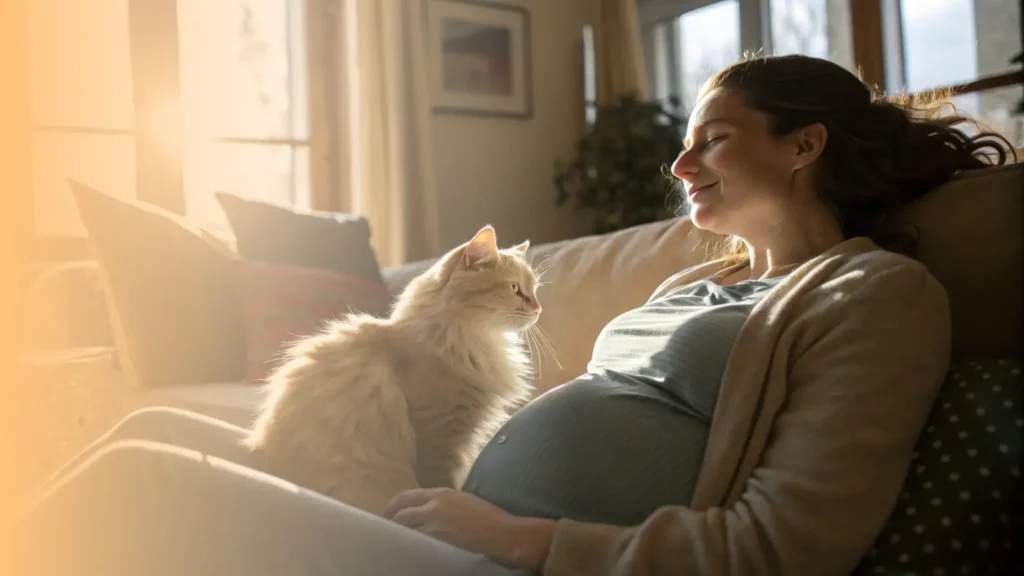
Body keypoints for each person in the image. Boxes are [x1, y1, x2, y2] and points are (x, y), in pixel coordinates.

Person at [11, 54, 1016, 576]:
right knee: (151, 428)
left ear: (804, 147)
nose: (678, 165)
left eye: (712, 139)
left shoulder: (874, 294)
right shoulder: (689, 287)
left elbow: (783, 549)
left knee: (134, 485)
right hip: (443, 524)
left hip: (505, 562)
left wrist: (528, 542)